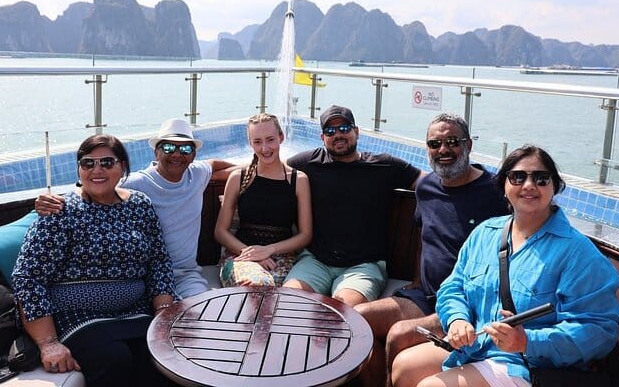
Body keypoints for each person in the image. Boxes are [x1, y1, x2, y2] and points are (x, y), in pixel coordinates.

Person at [391, 145, 619, 387]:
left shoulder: (578, 252)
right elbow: (454, 286)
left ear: (555, 186)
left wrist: (527, 341)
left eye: (541, 178)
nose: (529, 185)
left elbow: (598, 329)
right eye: (518, 177)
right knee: (404, 367)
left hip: (531, 365)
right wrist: (458, 319)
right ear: (504, 185)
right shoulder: (486, 233)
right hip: (479, 347)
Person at [355, 113, 508, 386]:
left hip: (466, 304)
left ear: (469, 145)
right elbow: (425, 236)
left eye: (452, 142)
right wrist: (416, 278)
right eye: (435, 144)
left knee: (399, 334)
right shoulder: (426, 187)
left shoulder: (495, 192)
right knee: (357, 320)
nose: (443, 150)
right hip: (424, 297)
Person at [11, 134, 175, 387]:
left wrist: (164, 311)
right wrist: (48, 344)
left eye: (107, 162)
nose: (97, 170)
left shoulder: (140, 205)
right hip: (77, 318)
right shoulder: (60, 211)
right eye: (88, 163)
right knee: (114, 358)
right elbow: (28, 277)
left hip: (135, 313)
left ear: (122, 166)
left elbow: (159, 262)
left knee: (163, 360)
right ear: (79, 169)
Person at [35, 119, 235, 298]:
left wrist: (248, 171)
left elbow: (215, 165)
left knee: (201, 315)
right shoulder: (136, 184)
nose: (176, 154)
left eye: (185, 149)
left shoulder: (196, 173)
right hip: (143, 276)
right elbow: (96, 187)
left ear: (193, 155)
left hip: (185, 276)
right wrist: (51, 202)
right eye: (168, 148)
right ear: (156, 152)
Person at [282, 105, 422, 307]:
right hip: (315, 261)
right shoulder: (308, 162)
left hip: (363, 266)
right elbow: (269, 169)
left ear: (356, 131)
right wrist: (230, 171)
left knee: (344, 311)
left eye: (344, 128)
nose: (338, 135)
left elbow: (427, 181)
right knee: (288, 302)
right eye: (330, 131)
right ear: (322, 138)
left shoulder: (384, 166)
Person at [214, 113, 313, 286]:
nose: (265, 148)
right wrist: (251, 253)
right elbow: (220, 231)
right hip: (241, 255)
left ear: (281, 137)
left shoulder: (298, 180)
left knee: (285, 291)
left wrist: (268, 250)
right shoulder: (238, 177)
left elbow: (305, 235)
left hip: (282, 257)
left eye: (270, 140)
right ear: (250, 144)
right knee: (256, 284)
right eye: (258, 142)